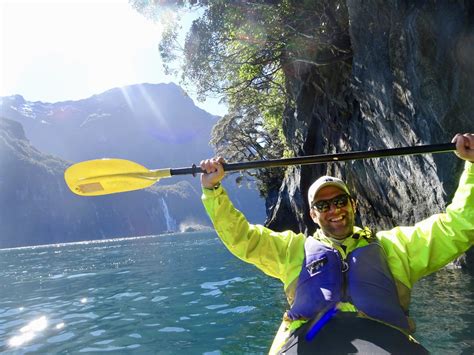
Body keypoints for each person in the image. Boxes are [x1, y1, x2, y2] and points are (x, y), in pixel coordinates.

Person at [200, 133, 474, 354]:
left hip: (383, 339)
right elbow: (241, 237)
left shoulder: (395, 247)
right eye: (323, 204)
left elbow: (456, 227)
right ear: (313, 214)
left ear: (353, 204)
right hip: (310, 337)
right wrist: (213, 191)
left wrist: (472, 166)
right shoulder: (291, 250)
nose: (335, 210)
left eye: (341, 201)